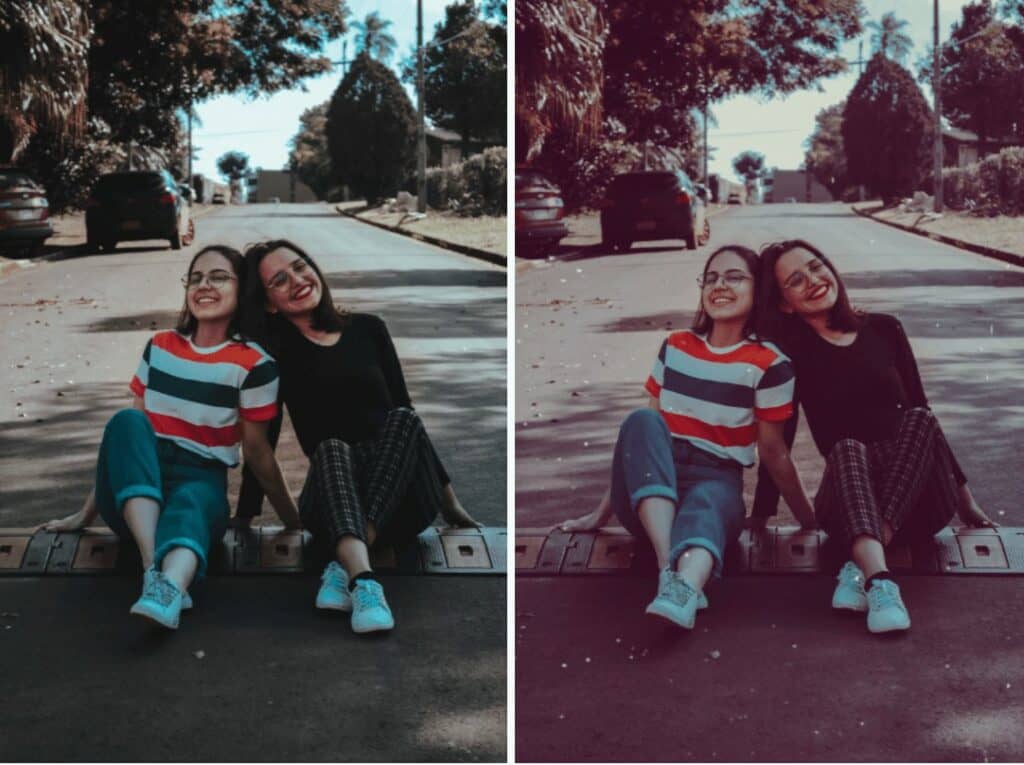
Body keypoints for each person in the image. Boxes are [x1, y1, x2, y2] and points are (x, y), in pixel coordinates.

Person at [41, 245, 301, 630]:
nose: (204, 285)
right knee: (127, 421)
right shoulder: (160, 346)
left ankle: (169, 590)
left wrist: (293, 520)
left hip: (200, 480)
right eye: (195, 278)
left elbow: (258, 453)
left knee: (192, 503)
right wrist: (86, 513)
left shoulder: (255, 365)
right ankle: (154, 571)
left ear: (240, 289)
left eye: (217, 277)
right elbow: (127, 449)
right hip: (135, 496)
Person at [561, 245, 816, 630]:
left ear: (756, 290)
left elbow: (773, 452)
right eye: (711, 278)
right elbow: (641, 447)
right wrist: (602, 513)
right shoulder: (676, 346)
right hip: (649, 499)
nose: (720, 285)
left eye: (734, 277)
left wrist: (808, 518)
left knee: (708, 503)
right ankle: (670, 571)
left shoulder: (771, 364)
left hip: (717, 481)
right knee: (642, 422)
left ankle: (684, 590)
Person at [753, 239, 997, 634]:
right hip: (850, 496)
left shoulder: (885, 329)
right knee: (848, 447)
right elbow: (780, 438)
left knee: (919, 418)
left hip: (918, 500)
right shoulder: (792, 357)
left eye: (817, 267)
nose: (814, 280)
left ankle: (863, 561)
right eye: (796, 280)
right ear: (784, 304)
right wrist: (764, 510)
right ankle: (881, 584)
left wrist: (966, 503)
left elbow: (924, 409)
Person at [236, 239, 479, 635]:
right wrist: (246, 514)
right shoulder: (275, 356)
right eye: (280, 280)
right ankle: (365, 583)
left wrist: (450, 505)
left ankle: (346, 560)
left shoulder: (369, 329)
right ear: (268, 303)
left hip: (401, 498)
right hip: (333, 495)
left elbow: (408, 410)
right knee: (331, 447)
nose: (297, 280)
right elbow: (264, 438)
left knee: (402, 419)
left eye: (300, 267)